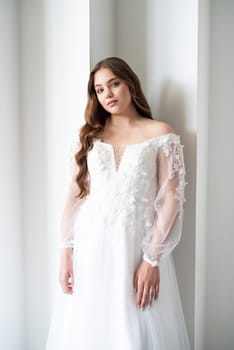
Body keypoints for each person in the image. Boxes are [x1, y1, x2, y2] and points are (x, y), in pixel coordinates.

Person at [45, 57, 191, 350]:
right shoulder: (89, 135)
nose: (108, 94)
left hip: (136, 246)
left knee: (134, 327)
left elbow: (172, 201)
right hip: (91, 246)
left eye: (114, 84)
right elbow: (74, 196)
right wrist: (65, 250)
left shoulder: (161, 133)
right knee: (89, 327)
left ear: (130, 84)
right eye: (99, 90)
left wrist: (151, 259)